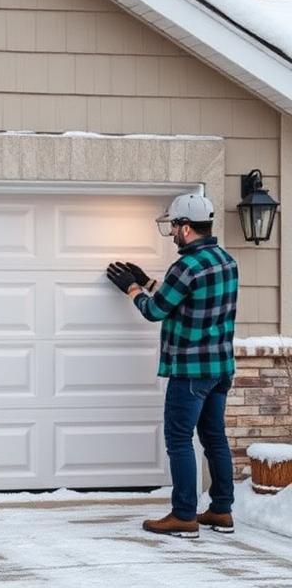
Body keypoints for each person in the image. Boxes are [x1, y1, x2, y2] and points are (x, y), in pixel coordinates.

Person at [106, 193, 238, 539]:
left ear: (186, 227)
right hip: (220, 368)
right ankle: (222, 510)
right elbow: (186, 301)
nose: (173, 233)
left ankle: (183, 515)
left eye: (174, 226)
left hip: (190, 370)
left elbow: (155, 311)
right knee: (214, 438)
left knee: (179, 439)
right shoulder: (226, 260)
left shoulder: (186, 266)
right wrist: (149, 282)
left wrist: (132, 288)